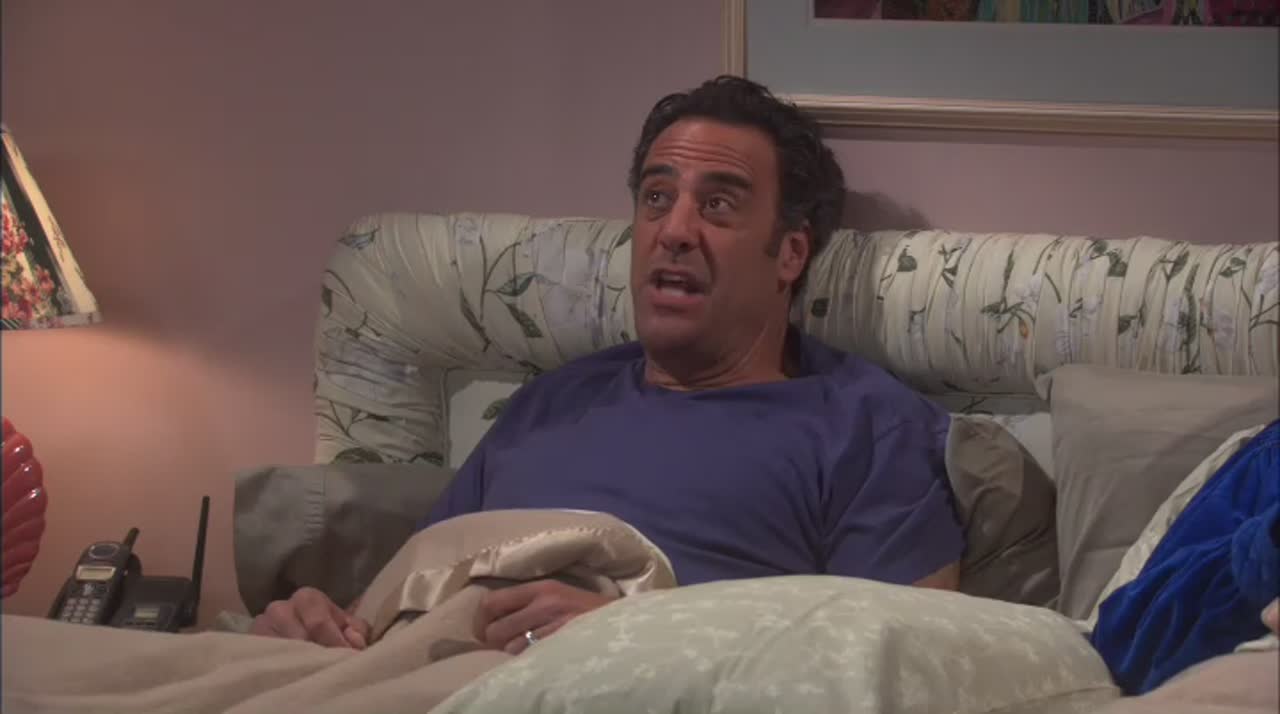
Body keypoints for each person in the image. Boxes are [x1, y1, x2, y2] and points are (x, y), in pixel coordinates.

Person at [250, 75, 965, 654]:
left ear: (791, 254)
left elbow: (902, 659)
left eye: (717, 205)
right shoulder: (548, 404)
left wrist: (634, 635)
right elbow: (414, 591)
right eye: (657, 198)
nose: (673, 231)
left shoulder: (866, 425)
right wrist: (322, 625)